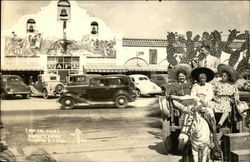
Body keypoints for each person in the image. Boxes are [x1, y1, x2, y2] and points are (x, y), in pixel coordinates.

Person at [190, 67, 222, 160]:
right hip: (198, 103)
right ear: (198, 79)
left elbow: (210, 94)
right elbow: (193, 95)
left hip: (207, 103)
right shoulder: (195, 86)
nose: (202, 80)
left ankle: (212, 137)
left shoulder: (208, 86)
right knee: (193, 118)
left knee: (210, 115)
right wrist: (200, 101)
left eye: (203, 78)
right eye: (200, 78)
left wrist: (205, 101)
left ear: (206, 78)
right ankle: (192, 138)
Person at [208, 64, 249, 130]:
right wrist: (215, 99)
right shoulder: (217, 83)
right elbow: (212, 93)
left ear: (228, 77)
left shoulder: (232, 84)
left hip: (227, 100)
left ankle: (219, 124)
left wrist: (236, 99)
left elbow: (236, 93)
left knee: (226, 107)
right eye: (222, 75)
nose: (223, 77)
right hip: (217, 100)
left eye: (225, 76)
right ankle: (212, 124)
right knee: (210, 106)